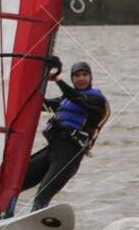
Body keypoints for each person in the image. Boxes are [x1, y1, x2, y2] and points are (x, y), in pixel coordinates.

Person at [11, 60, 109, 214]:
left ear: (90, 77)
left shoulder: (96, 100)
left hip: (70, 155)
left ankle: (36, 225)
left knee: (42, 194)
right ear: (72, 78)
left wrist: (57, 79)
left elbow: (76, 98)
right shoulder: (65, 99)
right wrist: (29, 83)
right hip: (52, 149)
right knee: (14, 181)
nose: (81, 78)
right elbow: (41, 104)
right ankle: (2, 218)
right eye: (77, 75)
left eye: (84, 74)